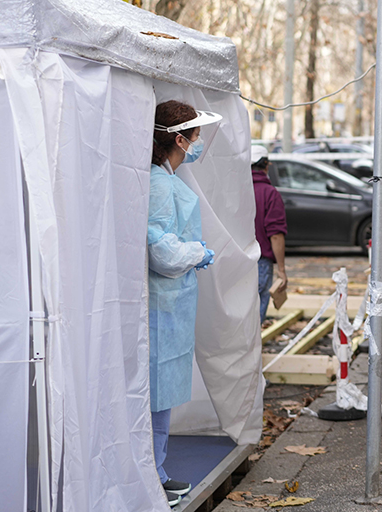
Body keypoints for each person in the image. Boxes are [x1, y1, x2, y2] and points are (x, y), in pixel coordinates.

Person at [148, 101, 221, 506]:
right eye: (195, 136)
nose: (199, 143)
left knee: (161, 397)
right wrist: (197, 252)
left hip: (169, 306)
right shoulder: (158, 185)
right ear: (178, 139)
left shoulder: (166, 180)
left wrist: (192, 252)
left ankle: (156, 472)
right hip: (160, 306)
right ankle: (151, 477)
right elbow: (161, 251)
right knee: (154, 398)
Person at [251, 145, 288, 324]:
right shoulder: (270, 194)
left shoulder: (235, 192)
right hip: (260, 263)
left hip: (235, 261)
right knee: (256, 315)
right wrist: (281, 269)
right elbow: (276, 235)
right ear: (266, 166)